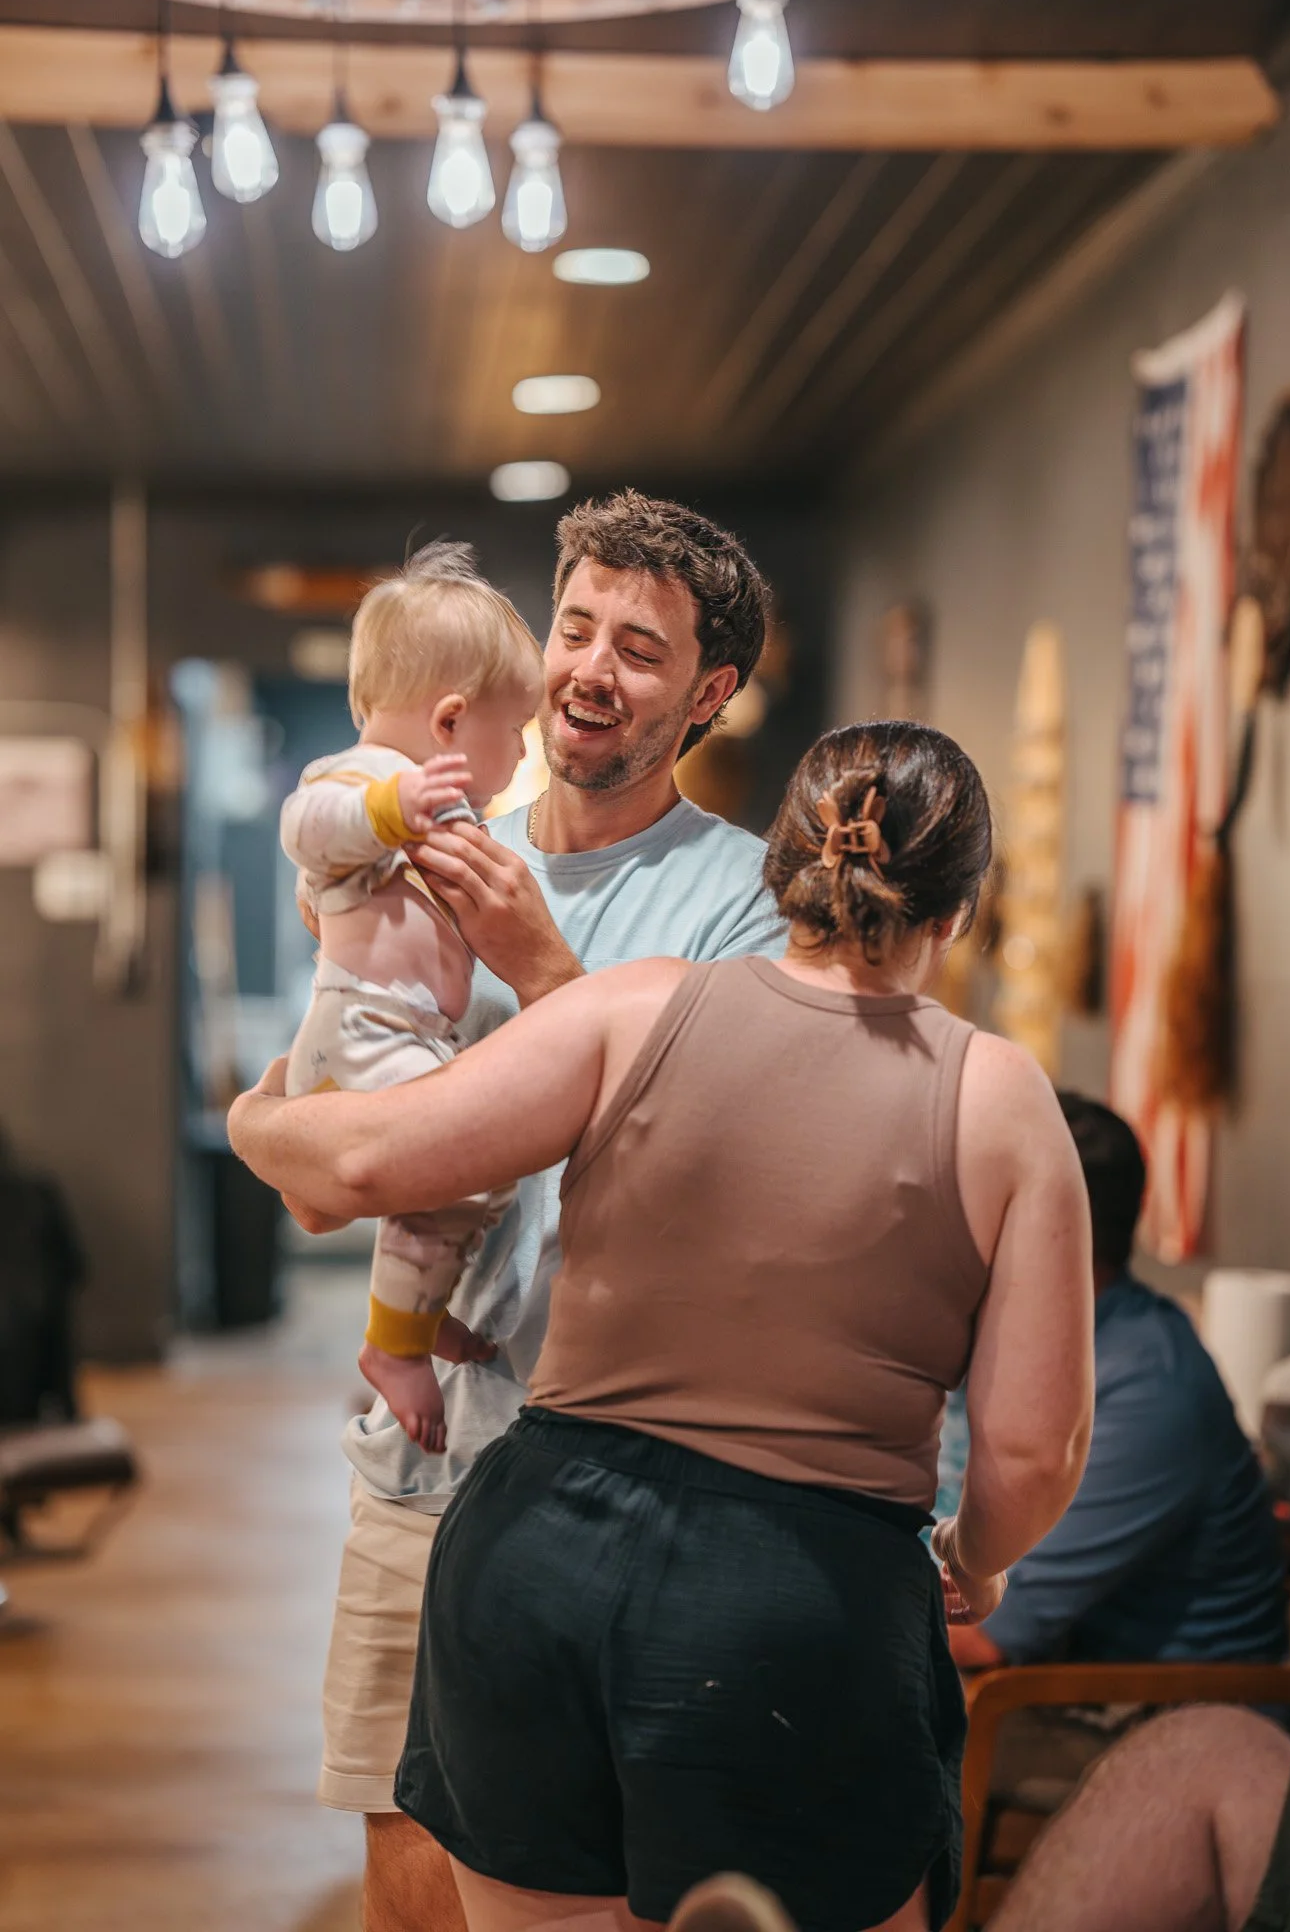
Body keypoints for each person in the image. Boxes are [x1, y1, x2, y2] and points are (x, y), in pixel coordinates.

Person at [230, 718, 1096, 1932]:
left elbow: (364, 1156)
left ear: (785, 864)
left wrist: (254, 1120)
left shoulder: (631, 1009)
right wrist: (973, 1553)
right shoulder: (999, 1099)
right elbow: (1029, 1452)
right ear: (958, 914)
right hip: (795, 1604)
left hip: (536, 1561)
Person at [288, 491, 784, 1931]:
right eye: (574, 624)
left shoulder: (742, 905)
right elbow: (320, 1100)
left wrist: (543, 963)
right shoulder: (426, 816)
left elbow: (726, 1179)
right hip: (420, 1472)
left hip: (626, 1487)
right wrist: (274, 1126)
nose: (587, 666)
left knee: (586, 1893)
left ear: (710, 693)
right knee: (405, 1885)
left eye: (639, 646)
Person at [945, 1092, 1287, 1811]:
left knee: (833, 1729)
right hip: (1064, 1680)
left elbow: (983, 1634)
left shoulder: (1142, 1390)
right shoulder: (1042, 1337)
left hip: (1161, 1726)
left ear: (1052, 1227)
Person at [282, 544, 544, 1450]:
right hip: (364, 1026)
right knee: (467, 1161)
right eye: (517, 733)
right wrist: (392, 812)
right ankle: (391, 1346)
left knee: (474, 1183)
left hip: (412, 1033)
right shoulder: (357, 779)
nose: (520, 754)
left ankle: (411, 1319)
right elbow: (309, 830)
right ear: (450, 721)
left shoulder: (444, 810)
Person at [665, 1709, 1290, 1932]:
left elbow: (999, 1622)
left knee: (884, 1714)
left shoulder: (1136, 1394)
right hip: (1075, 1688)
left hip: (1099, 1686)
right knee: (1209, 1750)